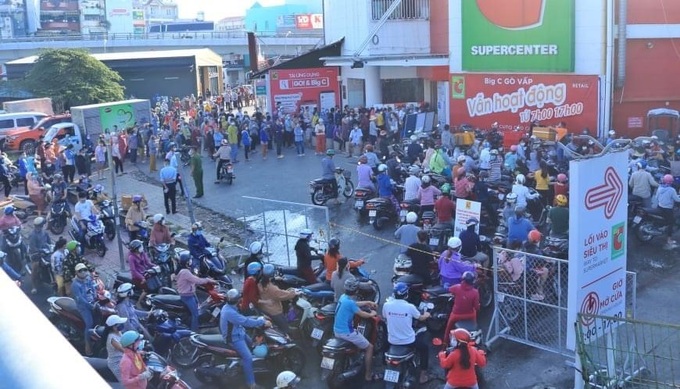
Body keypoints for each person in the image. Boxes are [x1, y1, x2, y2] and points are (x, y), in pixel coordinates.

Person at [220, 289, 271, 389]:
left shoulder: (229, 307)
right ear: (238, 300)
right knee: (248, 358)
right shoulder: (230, 312)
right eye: (240, 299)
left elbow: (242, 319)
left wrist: (257, 318)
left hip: (239, 332)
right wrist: (261, 322)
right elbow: (245, 321)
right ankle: (251, 384)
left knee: (253, 345)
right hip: (234, 338)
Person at [383, 282, 431, 384]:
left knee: (384, 347)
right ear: (406, 294)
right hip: (408, 341)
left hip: (392, 340)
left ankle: (384, 364)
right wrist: (427, 314)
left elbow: (385, 317)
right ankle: (423, 374)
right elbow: (421, 318)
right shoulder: (410, 307)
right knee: (424, 348)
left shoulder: (387, 305)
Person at [334, 278, 381, 383]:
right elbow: (362, 314)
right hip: (347, 332)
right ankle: (368, 375)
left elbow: (355, 304)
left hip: (336, 330)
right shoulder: (350, 303)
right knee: (369, 347)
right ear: (356, 291)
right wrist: (372, 314)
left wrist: (367, 302)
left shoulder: (343, 297)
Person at [257, 264, 298, 335]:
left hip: (264, 308)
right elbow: (282, 295)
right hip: (274, 311)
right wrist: (294, 293)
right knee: (285, 328)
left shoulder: (260, 283)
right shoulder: (272, 288)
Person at [176, 252, 213, 331]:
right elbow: (197, 280)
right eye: (190, 260)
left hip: (191, 294)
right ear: (187, 262)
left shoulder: (185, 270)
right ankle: (194, 332)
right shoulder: (185, 272)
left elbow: (193, 278)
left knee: (199, 306)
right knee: (195, 314)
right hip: (187, 296)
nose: (191, 261)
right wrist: (209, 280)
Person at [443, 271, 480, 344]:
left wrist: (445, 285)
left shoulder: (457, 287)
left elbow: (448, 289)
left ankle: (444, 345)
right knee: (474, 326)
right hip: (469, 315)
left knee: (448, 329)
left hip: (456, 314)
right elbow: (476, 307)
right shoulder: (475, 292)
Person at [71, 263, 97, 355]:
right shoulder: (75, 284)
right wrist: (90, 305)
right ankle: (88, 346)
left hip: (93, 302)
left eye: (84, 270)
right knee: (89, 324)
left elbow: (93, 288)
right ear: (76, 272)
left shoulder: (88, 278)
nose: (83, 272)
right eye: (80, 271)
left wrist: (96, 296)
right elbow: (80, 299)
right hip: (83, 307)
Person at [28, 217, 52, 294]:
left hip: (45, 252)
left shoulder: (44, 232)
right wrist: (40, 251)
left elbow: (49, 242)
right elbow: (33, 247)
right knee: (35, 267)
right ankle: (33, 286)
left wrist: (51, 247)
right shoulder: (32, 235)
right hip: (35, 254)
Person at [127, 239, 154, 308]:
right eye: (140, 247)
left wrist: (155, 266)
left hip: (145, 272)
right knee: (146, 289)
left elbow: (148, 263)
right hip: (137, 277)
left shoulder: (142, 253)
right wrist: (142, 278)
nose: (142, 247)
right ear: (136, 249)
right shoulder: (131, 257)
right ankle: (138, 303)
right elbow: (133, 270)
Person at [656, 174, 680, 249]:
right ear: (670, 182)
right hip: (667, 209)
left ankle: (662, 227)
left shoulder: (659, 188)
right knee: (671, 222)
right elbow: (677, 200)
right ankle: (669, 240)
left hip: (659, 206)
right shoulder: (671, 190)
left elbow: (656, 197)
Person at [104, 315, 128, 381]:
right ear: (114, 327)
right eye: (120, 324)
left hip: (123, 358)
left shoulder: (118, 332)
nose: (122, 325)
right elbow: (124, 350)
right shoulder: (112, 339)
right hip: (117, 363)